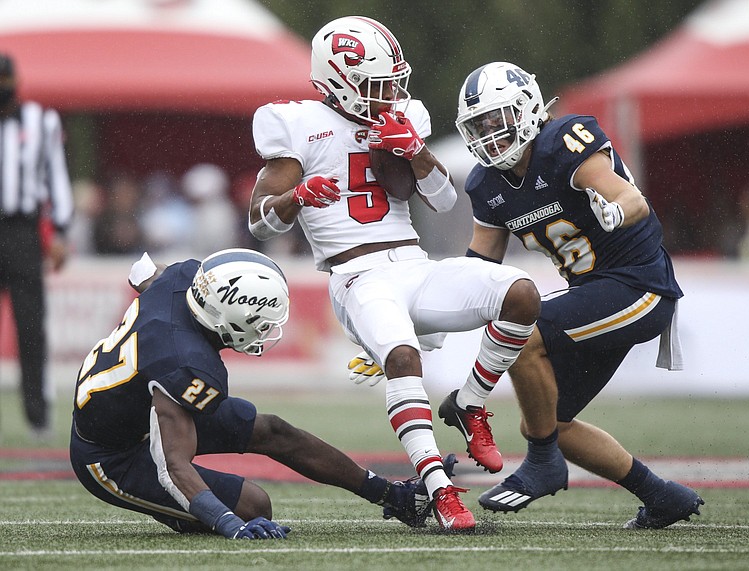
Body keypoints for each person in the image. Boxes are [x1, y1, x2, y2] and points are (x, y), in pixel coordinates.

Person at [247, 17, 540, 531]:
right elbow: (259, 221)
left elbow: (446, 199)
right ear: (336, 80)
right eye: (376, 84)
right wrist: (296, 198)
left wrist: (416, 150)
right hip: (356, 275)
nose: (389, 95)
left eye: (392, 83)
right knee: (403, 358)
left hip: (413, 262)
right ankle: (440, 488)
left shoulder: (403, 114)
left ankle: (470, 404)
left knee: (520, 294)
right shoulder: (295, 123)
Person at [452, 62, 704, 529]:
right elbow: (475, 277)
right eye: (479, 126)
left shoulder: (564, 141)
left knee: (523, 335)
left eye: (498, 120)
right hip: (593, 291)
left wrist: (614, 211)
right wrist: (414, 328)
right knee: (546, 422)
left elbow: (631, 199)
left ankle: (543, 464)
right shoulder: (486, 184)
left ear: (527, 108)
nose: (491, 135)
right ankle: (662, 497)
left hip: (638, 283)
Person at [70, 248, 452, 539]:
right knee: (254, 507)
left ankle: (395, 497)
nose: (265, 331)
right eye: (258, 322)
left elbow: (148, 276)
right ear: (226, 317)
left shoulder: (185, 278)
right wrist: (228, 524)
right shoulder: (184, 362)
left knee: (272, 430)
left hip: (141, 398)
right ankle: (175, 513)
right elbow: (173, 465)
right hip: (111, 454)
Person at [0, 52, 73, 439]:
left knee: (30, 324)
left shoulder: (40, 120)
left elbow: (56, 175)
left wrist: (60, 230)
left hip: (21, 231)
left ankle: (38, 414)